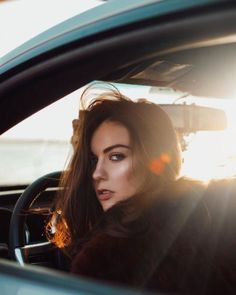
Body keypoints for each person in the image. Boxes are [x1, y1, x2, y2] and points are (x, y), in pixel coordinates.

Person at [47, 86, 236, 294]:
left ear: (155, 162)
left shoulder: (103, 263)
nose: (96, 173)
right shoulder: (216, 216)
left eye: (116, 156)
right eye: (93, 159)